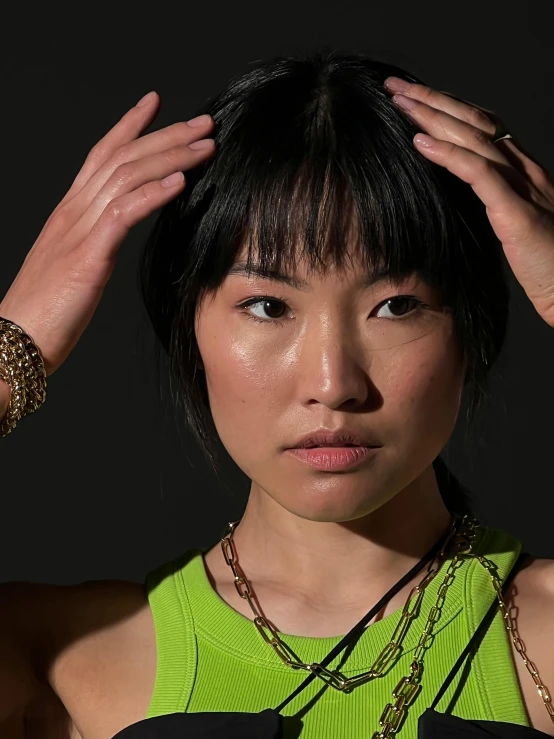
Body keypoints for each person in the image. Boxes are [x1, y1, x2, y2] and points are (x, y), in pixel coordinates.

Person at [0, 48, 553, 739]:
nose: (332, 384)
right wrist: (10, 349)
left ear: (469, 330)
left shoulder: (543, 641)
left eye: (396, 305)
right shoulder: (70, 663)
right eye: (267, 306)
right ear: (189, 329)